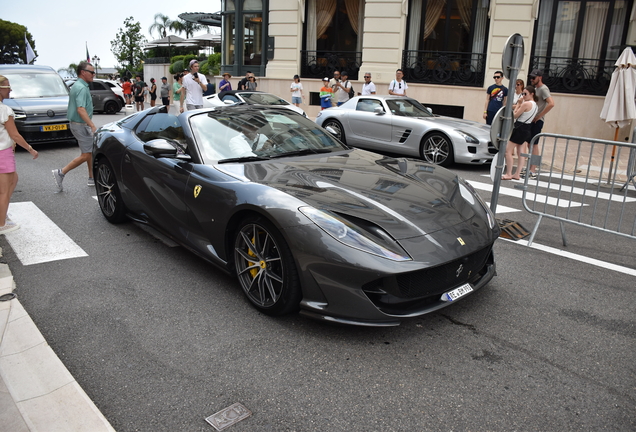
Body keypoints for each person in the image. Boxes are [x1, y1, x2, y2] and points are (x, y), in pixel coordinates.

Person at [0, 75, 39, 234]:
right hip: (3, 152)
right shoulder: (4, 110)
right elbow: (15, 135)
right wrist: (30, 149)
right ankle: (2, 224)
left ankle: (2, 215)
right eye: (7, 87)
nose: (10, 90)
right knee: (5, 190)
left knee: (13, 180)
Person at [52, 61, 96, 191]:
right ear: (83, 72)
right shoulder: (81, 88)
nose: (93, 74)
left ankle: (91, 178)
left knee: (89, 151)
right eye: (92, 72)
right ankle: (61, 172)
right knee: (87, 154)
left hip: (78, 124)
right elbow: (80, 109)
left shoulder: (79, 85)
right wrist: (92, 125)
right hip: (80, 125)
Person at [502, 85, 539, 180]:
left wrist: (518, 104)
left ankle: (509, 173)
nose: (523, 95)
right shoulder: (535, 105)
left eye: (525, 94)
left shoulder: (526, 104)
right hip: (527, 128)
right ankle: (517, 174)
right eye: (523, 94)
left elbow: (514, 115)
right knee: (521, 152)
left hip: (520, 127)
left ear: (532, 94)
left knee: (508, 151)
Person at [527, 69, 555, 177]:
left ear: (540, 77)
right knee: (530, 143)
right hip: (531, 119)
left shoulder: (543, 88)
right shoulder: (535, 88)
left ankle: (533, 170)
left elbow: (551, 103)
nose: (532, 80)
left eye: (534, 78)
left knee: (534, 144)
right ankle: (530, 167)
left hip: (537, 121)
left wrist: (539, 116)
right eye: (531, 78)